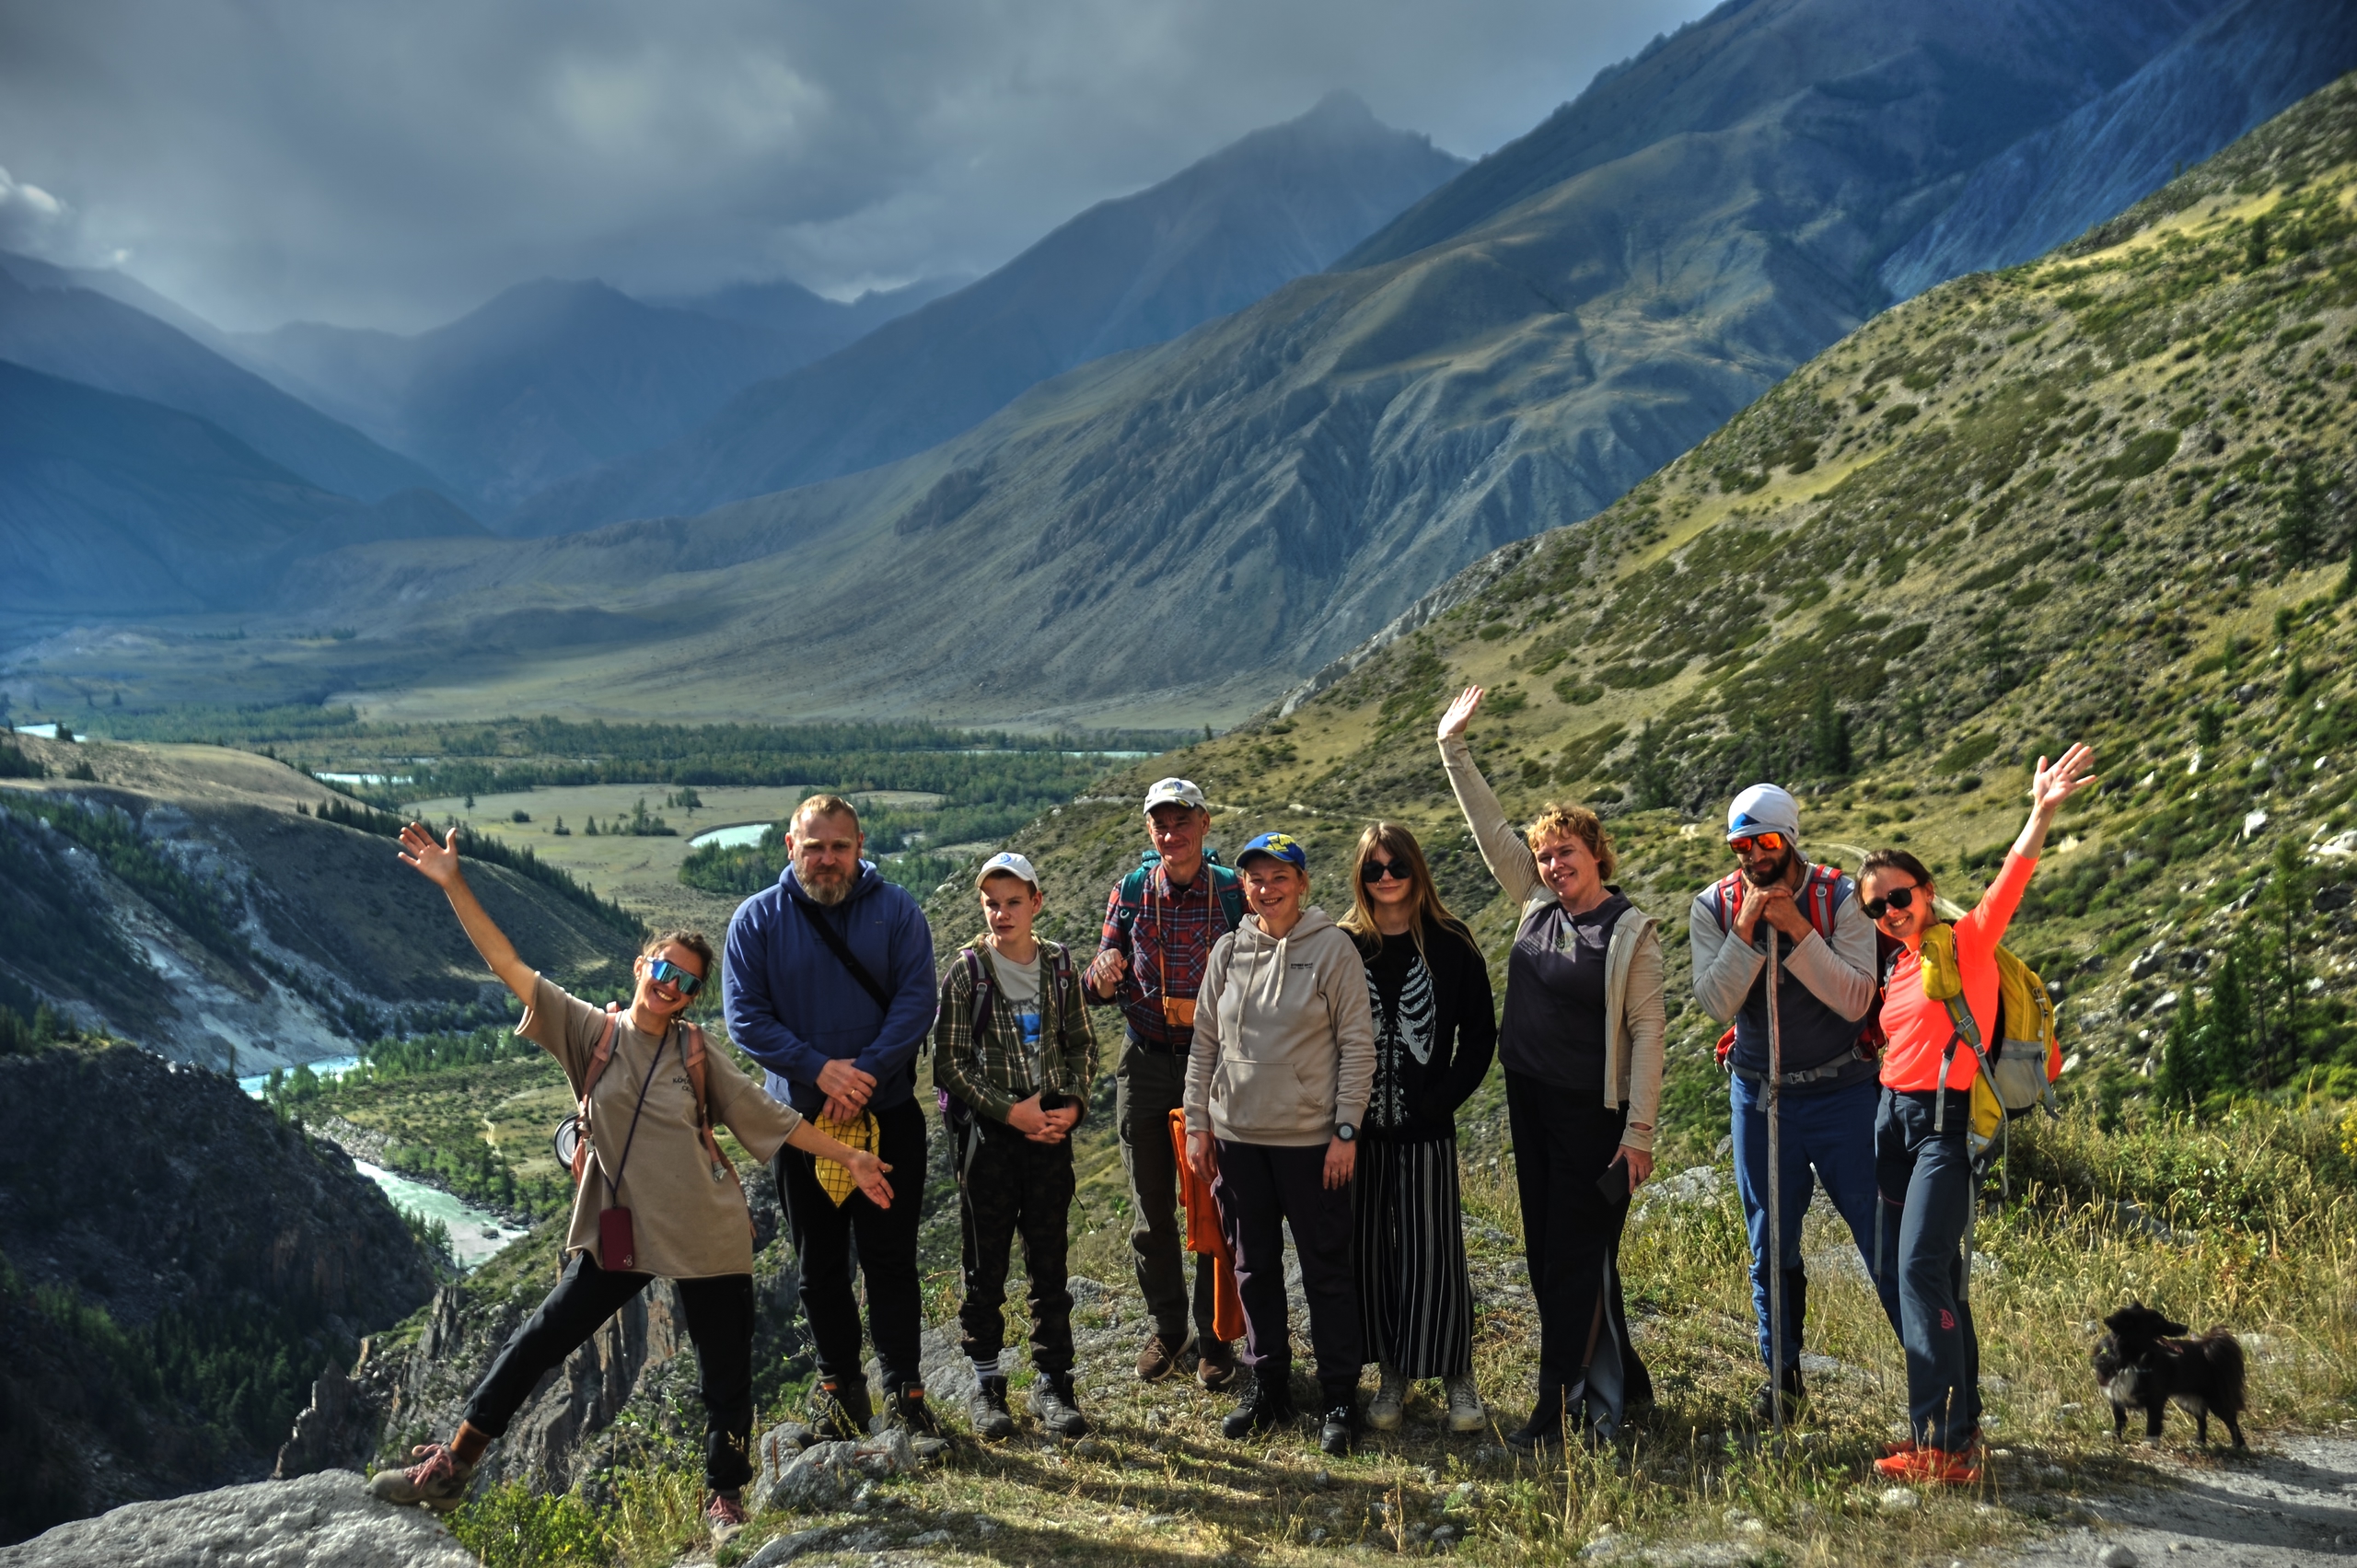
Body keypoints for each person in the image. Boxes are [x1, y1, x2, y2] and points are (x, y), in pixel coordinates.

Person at [371, 825, 891, 1540]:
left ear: (692, 997)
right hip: (623, 1232)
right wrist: (454, 882)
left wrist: (851, 1156)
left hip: (706, 1232)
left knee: (726, 1379)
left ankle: (725, 1500)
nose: (670, 984)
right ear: (641, 964)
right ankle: (453, 1466)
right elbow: (507, 963)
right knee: (536, 1342)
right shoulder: (590, 1031)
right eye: (663, 968)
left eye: (686, 982)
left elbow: (769, 1117)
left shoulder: (698, 1055)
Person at [1438, 688, 1664, 1449]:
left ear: (1596, 853)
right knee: (1553, 1254)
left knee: (1575, 1257)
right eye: (1544, 853)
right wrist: (1453, 748)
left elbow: (1649, 1033)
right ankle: (1625, 1381)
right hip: (1531, 1108)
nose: (1551, 861)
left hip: (1592, 1118)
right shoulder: (1536, 905)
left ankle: (1561, 1402)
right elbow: (1488, 828)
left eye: (1566, 850)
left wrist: (1638, 1134)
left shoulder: (1629, 931)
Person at [1864, 744, 2095, 1484]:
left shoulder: (1965, 941)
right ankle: (1960, 1428)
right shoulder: (1900, 963)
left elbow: (2011, 880)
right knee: (1920, 1273)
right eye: (1876, 906)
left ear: (1927, 890)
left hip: (1945, 1124)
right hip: (1893, 1121)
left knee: (1922, 1272)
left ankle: (1942, 1441)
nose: (1891, 912)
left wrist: (2040, 811)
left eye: (1900, 897)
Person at [724, 795, 938, 1438]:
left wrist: (861, 1072)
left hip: (889, 1114)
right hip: (801, 1127)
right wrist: (821, 1070)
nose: (825, 859)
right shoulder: (756, 920)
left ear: (859, 846)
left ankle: (906, 1393)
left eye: (838, 846)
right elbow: (745, 1017)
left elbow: (916, 999)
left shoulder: (897, 909)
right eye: (813, 846)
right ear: (790, 846)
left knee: (891, 1259)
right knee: (819, 1267)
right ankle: (843, 1396)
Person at [1689, 779, 1901, 1421]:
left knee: (1883, 1237)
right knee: (1769, 1242)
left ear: (1792, 839)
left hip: (1844, 1095)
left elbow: (1856, 997)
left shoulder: (1839, 898)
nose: (1753, 857)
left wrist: (1798, 931)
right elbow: (1714, 1002)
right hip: (1760, 1097)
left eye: (1766, 842)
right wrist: (1751, 932)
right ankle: (1781, 1380)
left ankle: (1935, 1380)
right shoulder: (1715, 905)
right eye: (1740, 845)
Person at [1183, 831, 1375, 1456]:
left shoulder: (1333, 949)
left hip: (1311, 1143)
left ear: (1302, 882)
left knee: (1326, 1269)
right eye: (1256, 879)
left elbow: (1357, 1048)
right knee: (1252, 1267)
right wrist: (1199, 1124)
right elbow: (1204, 1044)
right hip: (1237, 1140)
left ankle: (1340, 1393)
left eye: (1279, 878)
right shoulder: (1226, 952)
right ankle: (1269, 1385)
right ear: (1244, 886)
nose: (1267, 889)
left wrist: (1346, 1129)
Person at [1086, 778, 1249, 1388]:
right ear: (1149, 828)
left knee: (1211, 1201)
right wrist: (1101, 975)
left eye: (1182, 821)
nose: (1171, 834)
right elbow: (1097, 978)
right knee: (1150, 1209)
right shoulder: (1129, 892)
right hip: (1147, 1060)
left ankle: (1215, 1338)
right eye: (1160, 822)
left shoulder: (1235, 892)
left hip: (1216, 1063)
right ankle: (1168, 1327)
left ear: (1204, 824)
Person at [1334, 821, 1496, 1434]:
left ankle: (1457, 1373)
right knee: (1374, 1255)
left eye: (1395, 866)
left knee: (1436, 1252)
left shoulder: (1453, 941)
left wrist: (1443, 1098)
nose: (1385, 878)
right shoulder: (1346, 943)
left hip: (1427, 1131)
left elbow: (1481, 1034)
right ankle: (1394, 1371)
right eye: (1373, 868)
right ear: (1360, 876)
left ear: (1415, 869)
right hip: (1364, 1131)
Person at [932, 852, 1100, 1442]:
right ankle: (987, 1384)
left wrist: (1073, 1107)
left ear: (1036, 902)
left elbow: (1082, 1043)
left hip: (1050, 1129)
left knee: (1049, 1262)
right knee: (986, 1265)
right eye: (991, 903)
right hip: (991, 1138)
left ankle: (1054, 1381)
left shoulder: (1058, 965)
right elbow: (949, 1064)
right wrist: (1011, 1111)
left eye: (1012, 902)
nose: (1002, 914)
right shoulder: (966, 973)